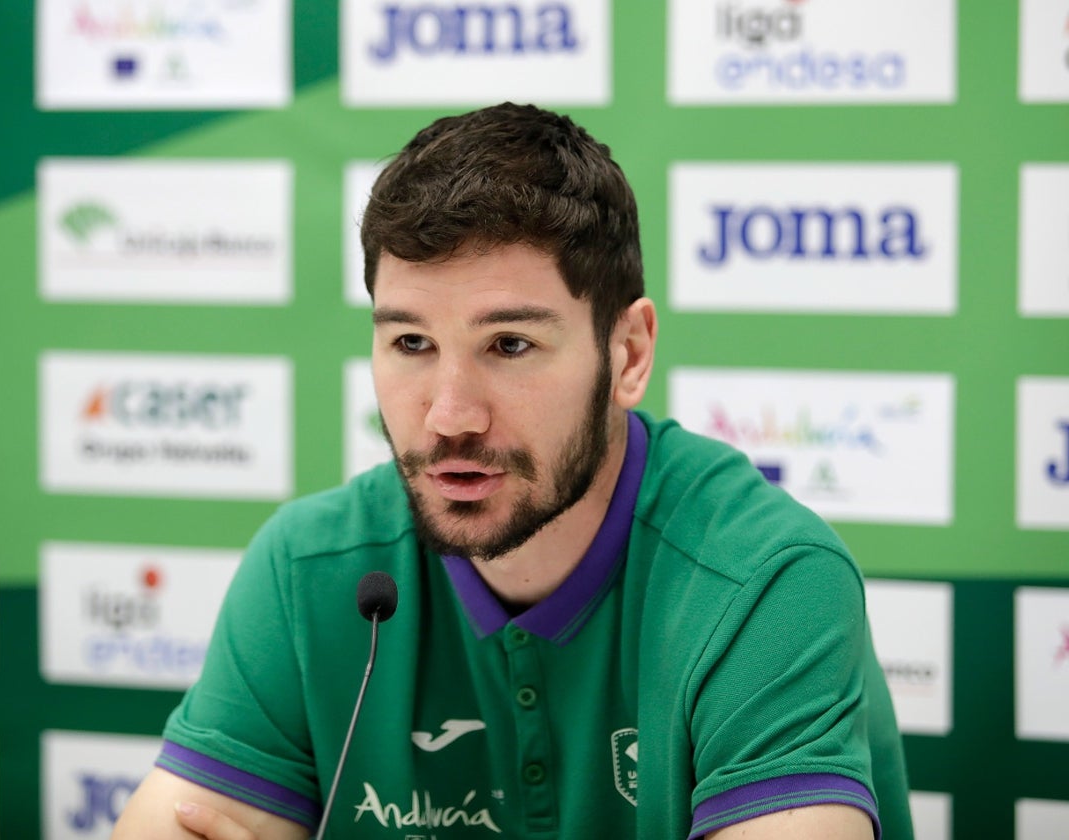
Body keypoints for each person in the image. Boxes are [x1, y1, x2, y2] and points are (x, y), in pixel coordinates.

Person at [112, 102, 913, 840]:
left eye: (510, 345)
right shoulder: (310, 569)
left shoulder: (764, 582)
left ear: (627, 354)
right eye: (411, 345)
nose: (449, 415)